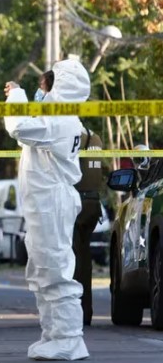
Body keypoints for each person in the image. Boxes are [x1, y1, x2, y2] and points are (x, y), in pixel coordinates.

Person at [3, 59, 91, 361]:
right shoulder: (61, 118)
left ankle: (68, 339)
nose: (42, 93)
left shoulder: (59, 119)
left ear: (59, 88)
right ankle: (54, 335)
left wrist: (17, 96)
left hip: (51, 203)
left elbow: (17, 126)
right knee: (42, 271)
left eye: (44, 88)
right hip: (45, 203)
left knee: (55, 270)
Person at [72, 126, 105, 327]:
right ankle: (86, 312)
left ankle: (74, 313)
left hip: (76, 203)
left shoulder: (73, 135)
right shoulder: (96, 137)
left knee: (72, 261)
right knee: (84, 259)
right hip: (93, 204)